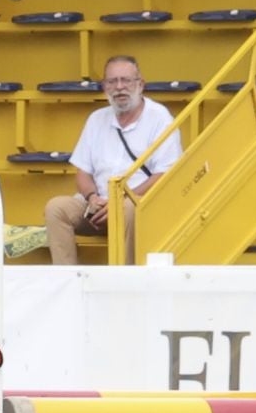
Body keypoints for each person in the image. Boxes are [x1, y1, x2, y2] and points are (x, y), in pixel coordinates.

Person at [44, 55, 184, 264]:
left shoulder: (160, 117)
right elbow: (82, 171)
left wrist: (120, 202)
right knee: (56, 208)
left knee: (126, 210)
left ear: (140, 84)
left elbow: (164, 174)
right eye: (112, 81)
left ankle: (123, 280)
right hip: (98, 205)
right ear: (104, 87)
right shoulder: (96, 118)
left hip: (138, 203)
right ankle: (67, 281)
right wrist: (92, 197)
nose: (119, 87)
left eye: (126, 80)